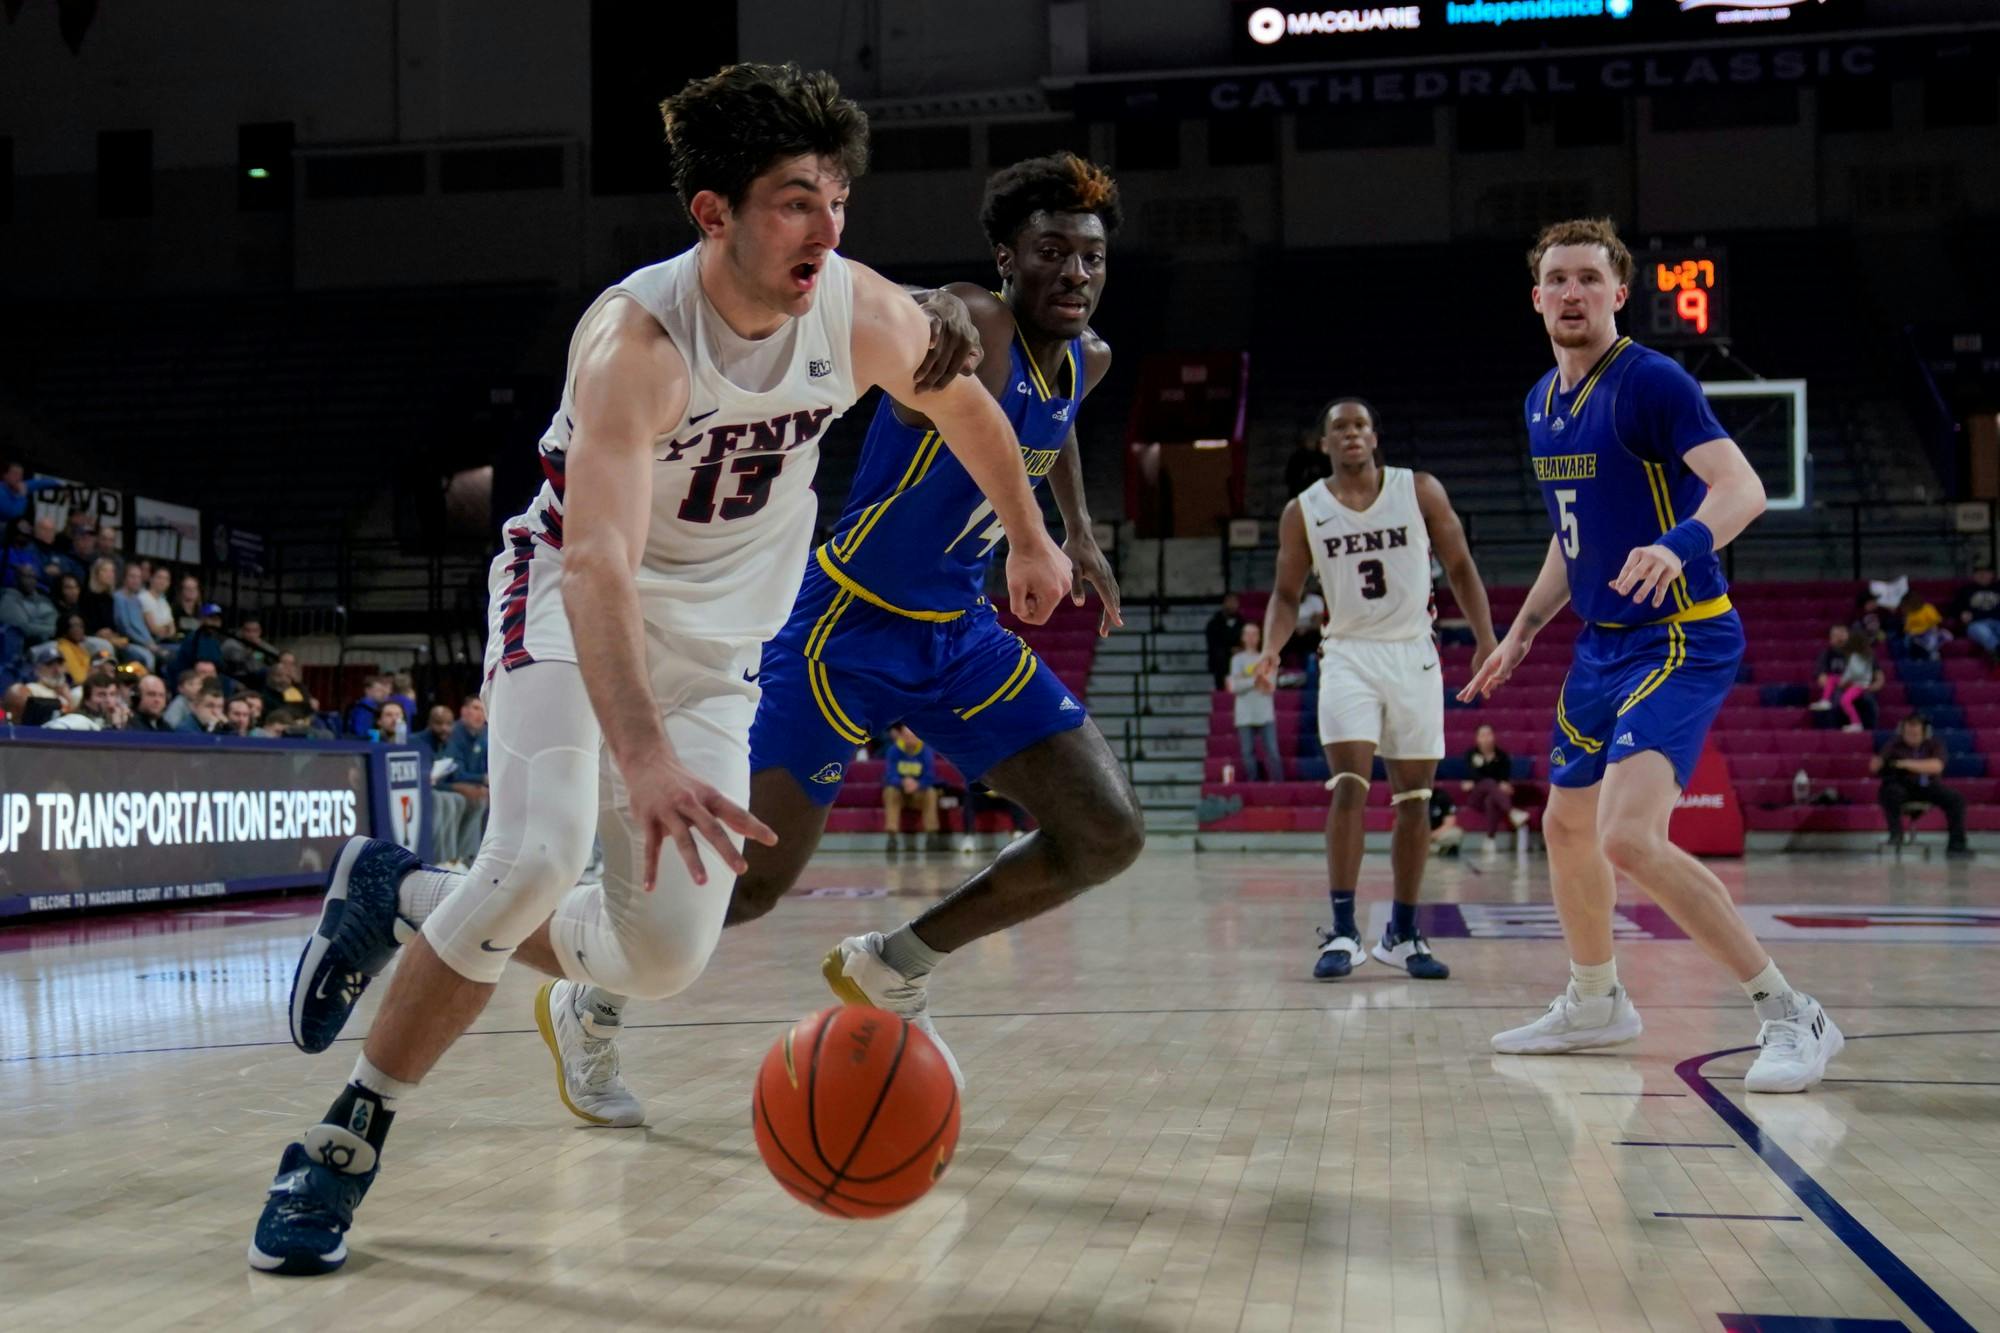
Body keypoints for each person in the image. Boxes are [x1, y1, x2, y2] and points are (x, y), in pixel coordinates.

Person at [252, 61, 1072, 1276]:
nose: (826, 225)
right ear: (714, 215)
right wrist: (637, 757)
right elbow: (596, 567)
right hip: (572, 601)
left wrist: (1028, 530)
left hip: (716, 649)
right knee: (530, 860)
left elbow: (971, 414)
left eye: (837, 196)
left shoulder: (860, 312)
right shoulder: (635, 344)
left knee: (664, 954)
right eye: (795, 199)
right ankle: (345, 1136)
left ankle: (400, 892)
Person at [1462, 217, 1840, 1092]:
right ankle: (1595, 1001)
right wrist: (1521, 631)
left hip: (1682, 633)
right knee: (1563, 825)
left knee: (1626, 836)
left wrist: (1680, 544)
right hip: (1602, 642)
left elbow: (1741, 486)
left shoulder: (1651, 381)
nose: (1571, 293)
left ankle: (1793, 1012)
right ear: (1536, 295)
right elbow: (1573, 540)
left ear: (1619, 293)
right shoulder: (1540, 403)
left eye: (1589, 278)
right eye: (1556, 278)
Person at [1257, 397, 1495, 982]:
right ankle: (1342, 929)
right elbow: (1286, 595)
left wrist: (1489, 640)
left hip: (1414, 651)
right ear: (1325, 443)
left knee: (1415, 800)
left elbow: (1460, 565)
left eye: (1362, 424)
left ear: (1375, 435)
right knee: (1349, 787)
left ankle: (1404, 933)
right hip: (1347, 656)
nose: (1353, 434)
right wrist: (1270, 648)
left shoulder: (1419, 490)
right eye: (1340, 427)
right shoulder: (1303, 510)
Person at [1872, 714, 1970, 855]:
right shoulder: (1893, 744)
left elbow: (1936, 766)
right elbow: (1877, 765)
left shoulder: (1934, 744)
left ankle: (1957, 845)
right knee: (1890, 791)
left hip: (1927, 785)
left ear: (1924, 732)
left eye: (1915, 732)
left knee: (1956, 799)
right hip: (1901, 784)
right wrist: (1880, 763)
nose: (1911, 735)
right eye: (1908, 732)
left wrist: (1904, 763)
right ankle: (1896, 835)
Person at [1227, 621, 1282, 782]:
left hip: (1264, 711)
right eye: (1248, 634)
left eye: (1254, 634)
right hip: (1244, 713)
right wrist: (1256, 680)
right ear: (1243, 637)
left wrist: (1247, 679)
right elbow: (1235, 686)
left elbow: (1270, 686)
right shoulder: (1237, 660)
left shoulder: (1267, 659)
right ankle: (1253, 784)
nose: (1251, 637)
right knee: (1247, 752)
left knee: (1272, 751)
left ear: (1259, 637)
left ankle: (1278, 785)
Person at [1461, 723, 1529, 847]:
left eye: (1488, 734)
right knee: (1488, 782)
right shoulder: (1471, 754)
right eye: (1482, 735)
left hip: (1495, 797)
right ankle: (1512, 811)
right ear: (1477, 738)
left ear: (1494, 737)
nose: (1486, 738)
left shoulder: (1502, 757)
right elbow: (1476, 776)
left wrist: (1502, 784)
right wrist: (1497, 784)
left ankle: (1490, 839)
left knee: (1491, 799)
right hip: (1476, 796)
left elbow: (1504, 778)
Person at [880, 724, 942, 852]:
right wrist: (903, 782)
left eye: (912, 736)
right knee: (890, 791)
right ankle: (892, 837)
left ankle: (932, 837)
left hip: (918, 794)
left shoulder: (925, 751)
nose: (909, 739)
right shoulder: (894, 750)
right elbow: (889, 775)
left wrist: (917, 784)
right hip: (900, 794)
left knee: (931, 792)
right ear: (901, 737)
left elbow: (930, 777)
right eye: (906, 736)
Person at [111, 561, 161, 670]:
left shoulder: (136, 599)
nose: (136, 580)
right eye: (132, 577)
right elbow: (125, 628)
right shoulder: (118, 598)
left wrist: (150, 642)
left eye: (138, 577)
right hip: (129, 642)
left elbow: (141, 626)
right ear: (124, 578)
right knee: (147, 657)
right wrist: (146, 644)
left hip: (146, 642)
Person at [44, 668, 126, 732]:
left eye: (112, 694)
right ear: (87, 698)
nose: (108, 700)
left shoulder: (119, 717)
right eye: (101, 695)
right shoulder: (76, 719)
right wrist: (115, 727)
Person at [0, 563, 58, 644]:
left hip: (53, 642)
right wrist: (54, 630)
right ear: (16, 579)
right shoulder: (8, 599)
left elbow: (57, 621)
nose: (32, 581)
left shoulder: (43, 599)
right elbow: (24, 629)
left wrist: (35, 624)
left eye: (34, 577)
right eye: (27, 577)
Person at [1951, 565, 2000, 660]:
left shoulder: (1998, 588)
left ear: (1992, 575)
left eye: (1986, 573)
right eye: (1979, 573)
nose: (1983, 575)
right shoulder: (1965, 590)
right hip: (1976, 623)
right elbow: (1953, 610)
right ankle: (1997, 652)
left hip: (1998, 620)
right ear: (1974, 576)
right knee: (1983, 633)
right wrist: (1961, 614)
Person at [0, 461, 63, 526]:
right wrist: (22, 496)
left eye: (20, 475)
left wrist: (61, 485)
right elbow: (13, 513)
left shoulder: (17, 486)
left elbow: (39, 483)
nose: (19, 478)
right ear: (5, 475)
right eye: (15, 474)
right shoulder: (1, 491)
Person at [1205, 590, 1246, 690]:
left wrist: (1241, 649)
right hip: (1221, 663)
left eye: (1235, 602)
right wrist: (1229, 650)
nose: (1232, 605)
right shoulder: (1213, 624)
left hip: (1240, 663)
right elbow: (1213, 644)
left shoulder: (1243, 623)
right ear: (1224, 603)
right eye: (1230, 601)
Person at [1282, 428, 1334, 501]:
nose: (1311, 441)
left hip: (1322, 497)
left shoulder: (1324, 458)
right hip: (1301, 497)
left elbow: (1330, 477)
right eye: (1309, 438)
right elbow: (1290, 479)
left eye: (1313, 438)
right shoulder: (1296, 458)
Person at [139, 564, 179, 644]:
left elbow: (173, 629)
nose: (163, 581)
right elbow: (154, 629)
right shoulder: (143, 597)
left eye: (166, 579)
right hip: (151, 642)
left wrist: (166, 630)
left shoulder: (164, 602)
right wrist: (166, 629)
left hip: (167, 641)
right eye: (159, 577)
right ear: (151, 579)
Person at [345, 674, 391, 739]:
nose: (383, 694)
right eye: (379, 690)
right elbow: (361, 733)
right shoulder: (364, 709)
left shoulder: (378, 705)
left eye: (384, 691)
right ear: (368, 691)